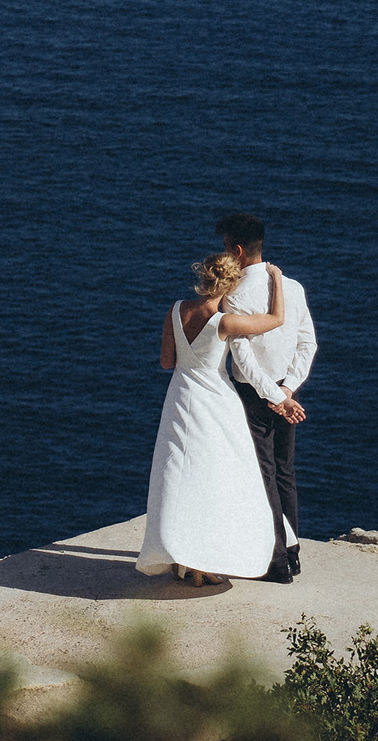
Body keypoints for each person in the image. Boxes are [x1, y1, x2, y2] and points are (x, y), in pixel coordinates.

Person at [135, 249, 287, 584]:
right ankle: (200, 562)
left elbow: (166, 362)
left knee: (177, 477)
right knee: (215, 479)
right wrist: (276, 278)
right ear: (230, 285)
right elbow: (276, 320)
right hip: (215, 402)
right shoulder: (226, 321)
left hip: (179, 398)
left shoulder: (175, 310)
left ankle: (181, 559)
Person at [217, 211, 315, 582]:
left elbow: (242, 360)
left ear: (238, 250)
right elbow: (308, 343)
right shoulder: (292, 287)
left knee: (264, 475)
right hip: (284, 391)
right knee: (286, 473)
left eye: (225, 247)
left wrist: (274, 395)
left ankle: (277, 563)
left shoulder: (236, 296)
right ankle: (293, 552)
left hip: (254, 395)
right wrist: (287, 389)